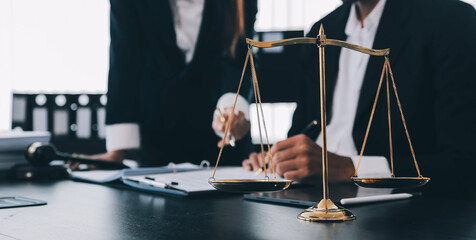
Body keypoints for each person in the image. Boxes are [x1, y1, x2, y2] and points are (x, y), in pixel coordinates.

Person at [243, 0, 476, 199]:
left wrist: (351, 168)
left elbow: (464, 163)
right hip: (304, 195)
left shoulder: (451, 21)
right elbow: (303, 129)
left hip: (393, 211)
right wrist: (281, 158)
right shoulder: (323, 30)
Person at [97, 0, 257, 167]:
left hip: (221, 149)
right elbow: (124, 60)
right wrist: (118, 149)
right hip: (156, 137)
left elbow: (239, 60)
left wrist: (232, 111)